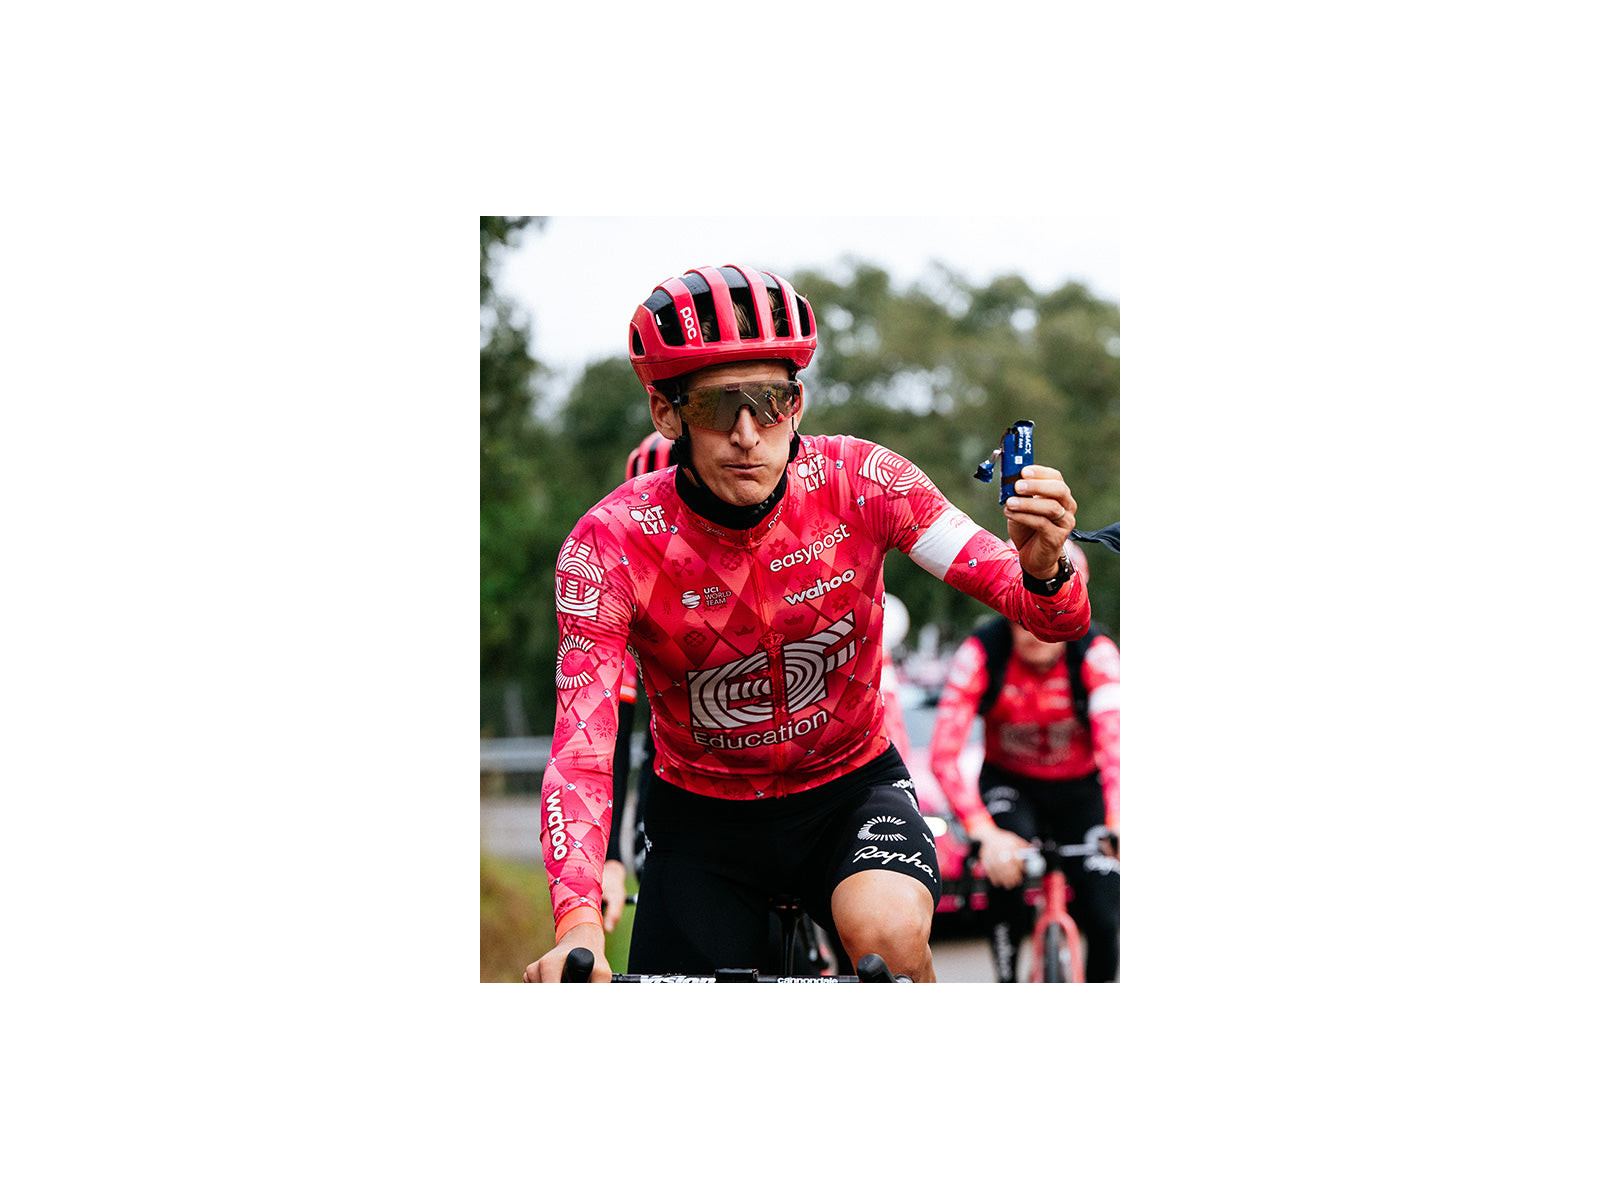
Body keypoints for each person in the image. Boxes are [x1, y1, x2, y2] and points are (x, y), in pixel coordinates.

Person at [525, 263, 1090, 983]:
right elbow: (581, 750)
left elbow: (1048, 615)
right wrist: (577, 930)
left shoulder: (863, 482)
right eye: (717, 407)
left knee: (887, 937)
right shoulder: (610, 543)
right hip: (701, 818)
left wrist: (1045, 569)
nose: (747, 434)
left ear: (797, 402)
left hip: (851, 791)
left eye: (771, 401)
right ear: (666, 414)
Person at [927, 539, 1121, 981]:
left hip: (1081, 790)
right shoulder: (981, 652)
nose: (1037, 627)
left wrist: (1118, 818)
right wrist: (983, 832)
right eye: (1024, 610)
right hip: (1010, 784)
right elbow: (943, 755)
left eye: (1053, 612)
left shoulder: (1097, 654)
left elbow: (1117, 748)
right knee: (1004, 875)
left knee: (1104, 913)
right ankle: (1008, 982)